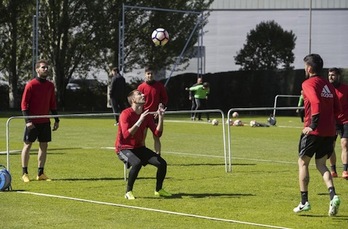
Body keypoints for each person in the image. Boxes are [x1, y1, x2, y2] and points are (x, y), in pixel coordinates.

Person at [293, 54, 341, 216]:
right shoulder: (328, 84)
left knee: (303, 163)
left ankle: (304, 201)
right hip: (330, 131)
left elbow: (316, 102)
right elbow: (338, 108)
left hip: (315, 131)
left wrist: (312, 125)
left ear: (309, 68)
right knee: (321, 164)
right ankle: (333, 196)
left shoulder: (308, 83)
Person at [115, 89, 171, 200]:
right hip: (123, 148)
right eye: (139, 94)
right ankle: (128, 192)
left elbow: (157, 133)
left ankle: (158, 190)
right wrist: (140, 120)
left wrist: (161, 117)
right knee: (137, 163)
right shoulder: (125, 114)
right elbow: (126, 135)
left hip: (139, 147)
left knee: (162, 163)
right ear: (133, 100)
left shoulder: (146, 113)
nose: (143, 95)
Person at [20, 59, 60, 182]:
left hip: (45, 121)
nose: (45, 69)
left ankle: (40, 173)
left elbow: (52, 103)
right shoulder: (31, 85)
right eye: (43, 67)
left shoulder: (50, 85)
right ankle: (24, 173)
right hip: (32, 122)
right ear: (37, 70)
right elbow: (24, 104)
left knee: (44, 146)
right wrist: (28, 121)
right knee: (27, 145)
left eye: (47, 67)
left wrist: (56, 119)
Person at [137, 67, 168, 155]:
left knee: (156, 136)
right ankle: (143, 156)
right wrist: (139, 113)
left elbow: (164, 99)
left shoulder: (159, 86)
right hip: (144, 116)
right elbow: (137, 101)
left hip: (155, 115)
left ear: (154, 75)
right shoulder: (141, 87)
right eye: (148, 74)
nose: (150, 75)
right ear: (145, 75)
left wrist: (160, 107)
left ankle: (158, 156)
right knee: (142, 137)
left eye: (151, 74)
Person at [327, 67, 348, 179]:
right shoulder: (326, 89)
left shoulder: (345, 89)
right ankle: (333, 170)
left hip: (345, 121)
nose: (331, 77)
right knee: (331, 146)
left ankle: (345, 170)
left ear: (338, 76)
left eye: (333, 75)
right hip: (332, 122)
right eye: (329, 75)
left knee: (345, 143)